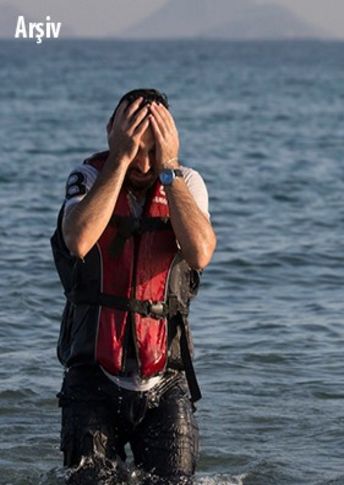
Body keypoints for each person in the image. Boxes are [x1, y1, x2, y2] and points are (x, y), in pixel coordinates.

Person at [50, 89, 216, 483]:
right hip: (92, 375)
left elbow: (201, 252)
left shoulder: (186, 183)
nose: (143, 162)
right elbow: (78, 239)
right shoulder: (88, 177)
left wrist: (169, 166)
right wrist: (118, 160)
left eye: (152, 149)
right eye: (135, 148)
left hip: (165, 379)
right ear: (113, 132)